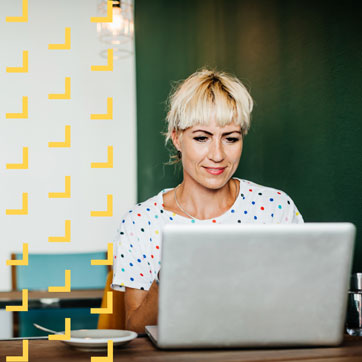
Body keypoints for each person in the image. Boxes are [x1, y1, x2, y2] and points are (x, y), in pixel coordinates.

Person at [112, 68, 303, 333]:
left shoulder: (275, 208)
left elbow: (302, 307)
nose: (217, 154)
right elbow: (134, 329)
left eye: (231, 138)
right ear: (177, 138)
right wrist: (168, 275)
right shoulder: (140, 222)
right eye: (202, 138)